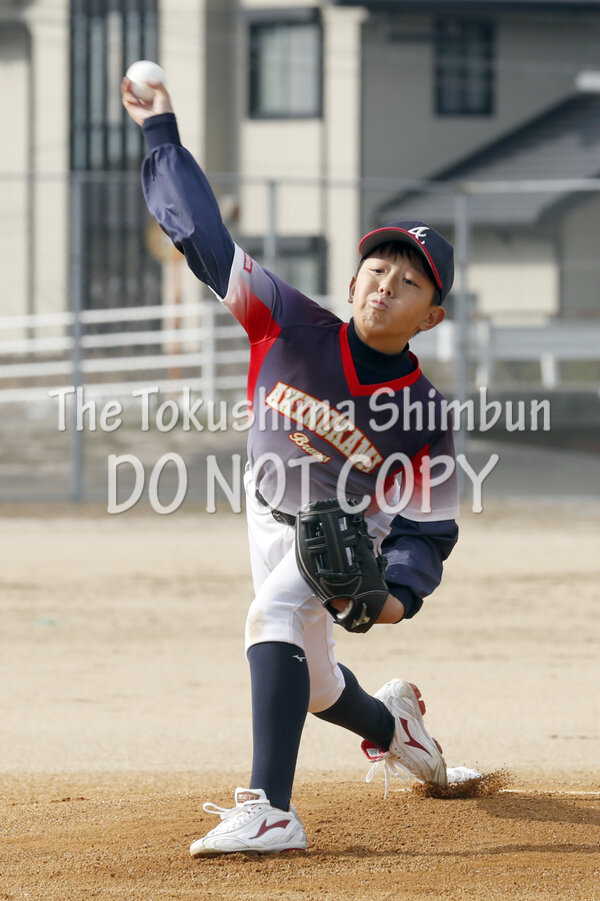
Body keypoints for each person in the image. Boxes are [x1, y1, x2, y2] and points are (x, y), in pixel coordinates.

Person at [122, 78, 460, 857]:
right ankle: (394, 724)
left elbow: (428, 523)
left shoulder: (425, 414)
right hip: (265, 516)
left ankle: (271, 809)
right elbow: (202, 235)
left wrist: (396, 596)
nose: (388, 283)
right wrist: (159, 131)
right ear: (352, 282)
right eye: (378, 268)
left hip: (344, 537)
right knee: (312, 684)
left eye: (410, 281)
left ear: (431, 317)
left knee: (270, 617)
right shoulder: (285, 320)